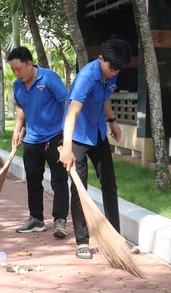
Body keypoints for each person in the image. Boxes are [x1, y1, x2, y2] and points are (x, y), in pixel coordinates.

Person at [59, 38, 132, 259]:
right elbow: (71, 114)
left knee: (109, 184)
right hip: (78, 136)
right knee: (79, 189)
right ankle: (82, 241)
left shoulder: (112, 71)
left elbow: (105, 96)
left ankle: (115, 237)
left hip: (98, 132)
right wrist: (67, 148)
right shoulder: (86, 78)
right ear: (100, 59)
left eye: (117, 69)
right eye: (110, 67)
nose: (113, 72)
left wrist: (112, 121)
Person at [7, 46, 70, 238]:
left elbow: (67, 103)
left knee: (59, 180)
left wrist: (67, 137)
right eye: (13, 70)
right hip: (32, 139)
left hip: (55, 136)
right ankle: (36, 219)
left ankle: (60, 220)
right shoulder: (18, 85)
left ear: (29, 63)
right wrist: (17, 130)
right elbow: (21, 108)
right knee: (33, 180)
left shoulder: (49, 78)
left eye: (19, 69)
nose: (17, 73)